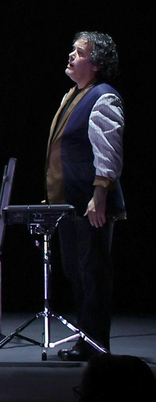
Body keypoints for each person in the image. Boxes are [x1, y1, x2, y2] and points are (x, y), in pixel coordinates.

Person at [46, 32, 126, 359]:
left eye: (78, 53)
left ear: (94, 65)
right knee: (76, 272)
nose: (71, 56)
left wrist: (100, 195)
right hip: (69, 204)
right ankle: (87, 340)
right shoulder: (74, 96)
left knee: (91, 273)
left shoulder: (103, 97)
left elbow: (108, 151)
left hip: (88, 204)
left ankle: (95, 344)